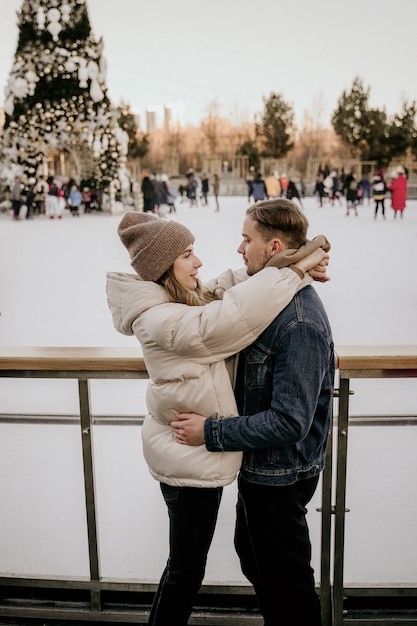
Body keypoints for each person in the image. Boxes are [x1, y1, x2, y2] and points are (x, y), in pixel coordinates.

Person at [106, 210, 330, 626]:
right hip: (186, 454)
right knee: (187, 572)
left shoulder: (180, 300)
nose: (201, 262)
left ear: (274, 246)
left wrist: (292, 264)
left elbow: (225, 291)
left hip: (210, 454)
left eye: (247, 239)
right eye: (188, 254)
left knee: (251, 572)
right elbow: (227, 317)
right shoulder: (165, 317)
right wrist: (294, 268)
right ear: (165, 267)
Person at [172, 198, 335, 626]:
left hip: (280, 475)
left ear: (274, 246)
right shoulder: (266, 296)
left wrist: (212, 432)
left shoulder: (298, 322)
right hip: (261, 470)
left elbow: (289, 421)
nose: (240, 248)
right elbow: (226, 301)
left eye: (247, 239)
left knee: (289, 589)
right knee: (256, 558)